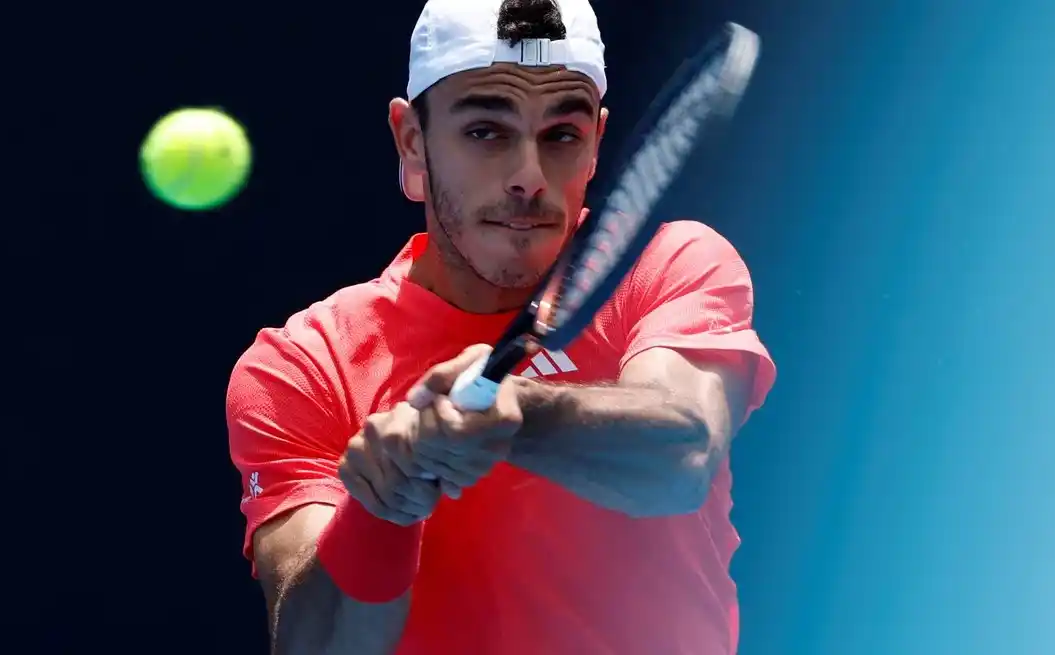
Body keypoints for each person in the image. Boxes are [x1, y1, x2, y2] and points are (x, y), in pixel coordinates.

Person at [225, 0, 776, 652]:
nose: (528, 177)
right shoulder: (303, 365)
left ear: (597, 142)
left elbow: (684, 453)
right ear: (412, 142)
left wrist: (518, 417)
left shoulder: (669, 263)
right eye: (486, 131)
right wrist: (379, 508)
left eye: (562, 135)